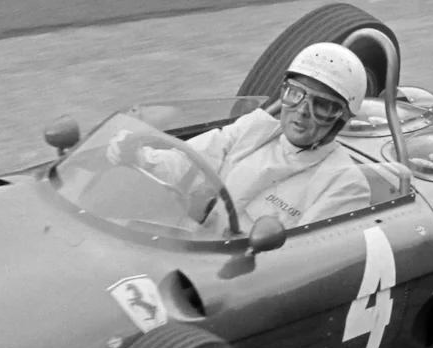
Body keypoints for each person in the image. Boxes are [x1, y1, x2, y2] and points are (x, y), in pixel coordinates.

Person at [112, 42, 377, 228]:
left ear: (342, 118)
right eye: (295, 94)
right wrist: (141, 157)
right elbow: (190, 161)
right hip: (189, 250)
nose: (302, 111)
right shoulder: (254, 129)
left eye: (322, 106)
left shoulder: (345, 184)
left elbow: (303, 260)